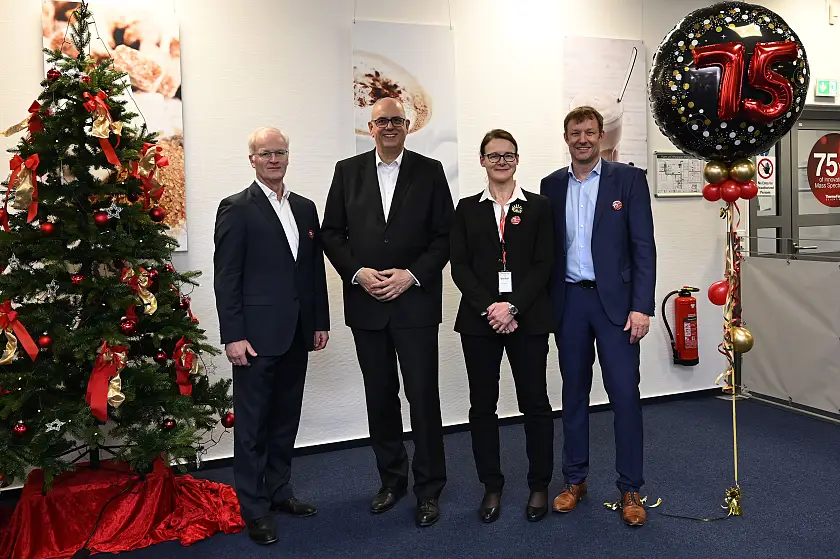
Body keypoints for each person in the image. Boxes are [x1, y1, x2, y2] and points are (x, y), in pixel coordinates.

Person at [321, 97, 454, 527]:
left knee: (423, 398)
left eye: (398, 120)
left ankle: (429, 488)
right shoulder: (347, 172)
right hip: (367, 307)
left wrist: (411, 275)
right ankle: (391, 480)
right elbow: (331, 233)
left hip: (414, 305)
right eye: (383, 121)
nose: (391, 126)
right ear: (370, 126)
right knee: (380, 399)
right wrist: (357, 273)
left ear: (408, 125)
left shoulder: (430, 172)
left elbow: (445, 237)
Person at [213, 126, 330, 545]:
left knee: (285, 419)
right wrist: (233, 335)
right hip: (256, 338)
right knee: (252, 425)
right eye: (265, 153)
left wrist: (320, 321)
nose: (274, 159)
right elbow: (227, 277)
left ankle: (280, 491)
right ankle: (254, 506)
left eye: (280, 152)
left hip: (297, 333)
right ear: (252, 160)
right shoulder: (236, 208)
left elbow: (312, 272)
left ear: (287, 156)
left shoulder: (304, 208)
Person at [540, 106, 656, 527]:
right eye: (576, 133)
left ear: (601, 135)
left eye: (590, 132)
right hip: (570, 304)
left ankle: (630, 489)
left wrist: (642, 306)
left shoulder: (628, 179)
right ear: (566, 136)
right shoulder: (550, 186)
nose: (583, 139)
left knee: (625, 396)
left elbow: (643, 247)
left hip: (618, 308)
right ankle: (574, 480)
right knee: (573, 395)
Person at [450, 129, 555, 523]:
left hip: (528, 320)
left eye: (508, 155)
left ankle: (539, 484)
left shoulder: (540, 207)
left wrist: (512, 307)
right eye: (493, 156)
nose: (501, 162)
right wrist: (490, 308)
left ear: (517, 160)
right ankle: (491, 484)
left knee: (536, 404)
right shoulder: (465, 209)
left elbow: (545, 263)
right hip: (479, 323)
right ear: (482, 161)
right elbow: (458, 265)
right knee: (483, 406)